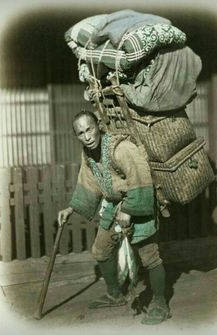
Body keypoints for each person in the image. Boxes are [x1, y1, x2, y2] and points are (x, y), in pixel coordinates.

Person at [58, 110, 171, 325]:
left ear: (98, 125)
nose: (87, 136)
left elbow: (141, 177)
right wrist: (71, 209)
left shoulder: (120, 148)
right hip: (112, 205)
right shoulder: (88, 154)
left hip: (139, 199)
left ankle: (161, 303)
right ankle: (115, 294)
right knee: (100, 250)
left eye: (89, 129)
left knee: (149, 256)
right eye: (81, 133)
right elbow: (88, 183)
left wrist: (128, 210)